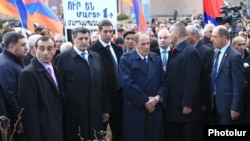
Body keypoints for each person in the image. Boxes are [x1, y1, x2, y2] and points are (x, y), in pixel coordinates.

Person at [54, 27, 110, 141]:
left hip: (95, 110)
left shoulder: (95, 57)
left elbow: (102, 84)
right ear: (73, 38)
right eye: (81, 38)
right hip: (74, 113)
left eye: (86, 38)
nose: (84, 41)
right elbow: (59, 88)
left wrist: (105, 108)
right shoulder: (62, 58)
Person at [119, 32, 166, 141]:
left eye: (148, 43)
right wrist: (145, 101)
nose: (146, 47)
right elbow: (128, 84)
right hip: (136, 109)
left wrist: (157, 98)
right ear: (135, 44)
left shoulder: (156, 59)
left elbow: (163, 82)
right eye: (142, 44)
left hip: (154, 109)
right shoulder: (126, 59)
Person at [18, 36, 65, 141]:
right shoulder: (28, 74)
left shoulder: (54, 69)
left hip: (56, 128)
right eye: (41, 48)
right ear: (35, 50)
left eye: (49, 48)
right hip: (43, 132)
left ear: (54, 50)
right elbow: (29, 111)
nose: (45, 52)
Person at [164, 23, 201, 141]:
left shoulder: (190, 52)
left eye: (170, 32)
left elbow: (192, 80)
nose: (168, 35)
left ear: (176, 33)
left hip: (183, 108)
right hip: (173, 105)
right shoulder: (174, 50)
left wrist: (187, 103)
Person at [89, 19, 123, 141]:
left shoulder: (117, 49)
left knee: (119, 133)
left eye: (111, 31)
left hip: (119, 99)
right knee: (100, 135)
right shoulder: (92, 51)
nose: (109, 34)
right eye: (105, 31)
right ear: (99, 31)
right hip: (102, 100)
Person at [210, 25, 245, 124]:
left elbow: (238, 84)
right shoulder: (216, 53)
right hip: (216, 103)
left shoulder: (234, 56)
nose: (212, 39)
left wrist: (235, 107)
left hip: (228, 107)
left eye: (215, 36)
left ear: (224, 37)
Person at [0, 32, 27, 141]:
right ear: (11, 46)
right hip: (13, 121)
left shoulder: (14, 61)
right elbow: (10, 94)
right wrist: (18, 120)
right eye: (23, 45)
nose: (26, 48)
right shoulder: (5, 65)